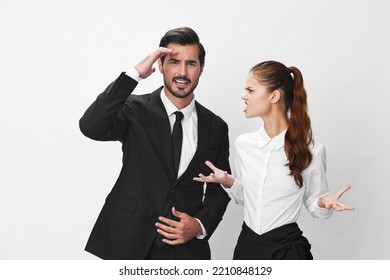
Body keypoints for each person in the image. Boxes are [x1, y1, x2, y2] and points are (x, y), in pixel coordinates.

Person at [79, 27, 231, 260]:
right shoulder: (133, 109)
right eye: (173, 62)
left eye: (191, 63)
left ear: (202, 68)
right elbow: (90, 126)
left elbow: (219, 189)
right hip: (127, 240)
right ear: (160, 65)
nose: (182, 72)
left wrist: (200, 225)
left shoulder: (216, 127)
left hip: (184, 249)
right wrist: (134, 74)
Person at [194, 60, 354, 260]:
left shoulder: (312, 150)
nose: (244, 96)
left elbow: (315, 206)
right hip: (248, 247)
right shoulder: (243, 145)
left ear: (274, 96)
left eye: (250, 90)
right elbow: (248, 198)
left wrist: (323, 203)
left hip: (286, 252)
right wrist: (229, 182)